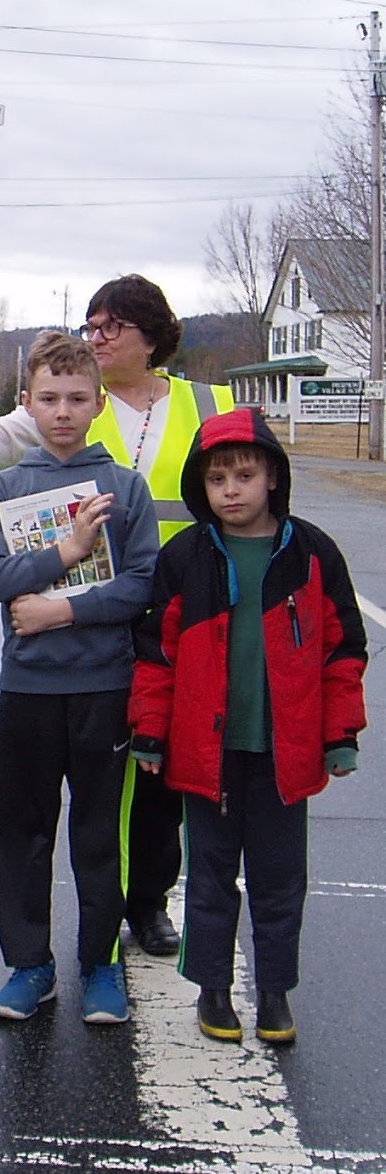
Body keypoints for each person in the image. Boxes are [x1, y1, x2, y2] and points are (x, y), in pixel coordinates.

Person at [0, 274, 233, 958]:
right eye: (91, 324)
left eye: (110, 325)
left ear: (151, 331)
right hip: (92, 618)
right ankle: (53, 942)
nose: (95, 336)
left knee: (163, 767)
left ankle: (149, 901)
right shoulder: (68, 400)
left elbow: (242, 488)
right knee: (93, 787)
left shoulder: (205, 402)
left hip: (184, 611)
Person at [129, 409, 366, 1045]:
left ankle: (275, 993)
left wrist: (339, 736)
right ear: (201, 489)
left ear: (272, 478)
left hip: (284, 755)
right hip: (207, 755)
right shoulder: (185, 557)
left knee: (281, 878)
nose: (230, 489)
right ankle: (212, 989)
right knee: (208, 877)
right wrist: (150, 732)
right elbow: (156, 654)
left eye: (244, 474)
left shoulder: (311, 554)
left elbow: (343, 653)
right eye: (216, 480)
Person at [0, 334, 159, 1026]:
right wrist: (67, 550)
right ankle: (29, 964)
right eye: (48, 398)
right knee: (21, 829)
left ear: (98, 403)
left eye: (77, 399)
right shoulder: (4, 487)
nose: (62, 412)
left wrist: (62, 608)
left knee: (99, 832)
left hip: (104, 686)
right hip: (28, 690)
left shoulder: (123, 487)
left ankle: (101, 961)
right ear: (27, 402)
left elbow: (142, 584)